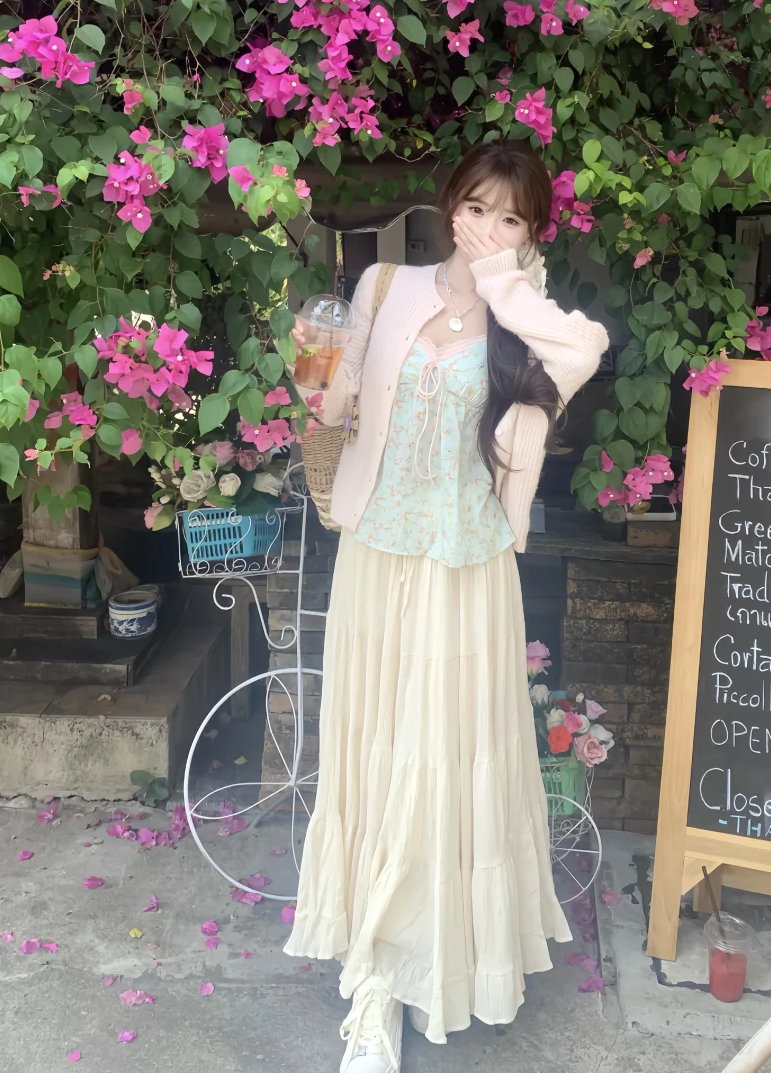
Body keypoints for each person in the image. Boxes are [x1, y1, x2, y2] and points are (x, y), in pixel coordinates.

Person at [285, 141, 610, 1072]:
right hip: (376, 560)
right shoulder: (385, 287)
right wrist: (318, 383)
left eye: (510, 218)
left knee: (441, 760)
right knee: (377, 753)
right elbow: (336, 408)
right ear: (447, 205)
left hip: (466, 572)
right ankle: (375, 980)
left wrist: (505, 282)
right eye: (473, 207)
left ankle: (432, 963)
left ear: (532, 232)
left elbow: (585, 351)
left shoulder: (531, 327)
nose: (484, 228)